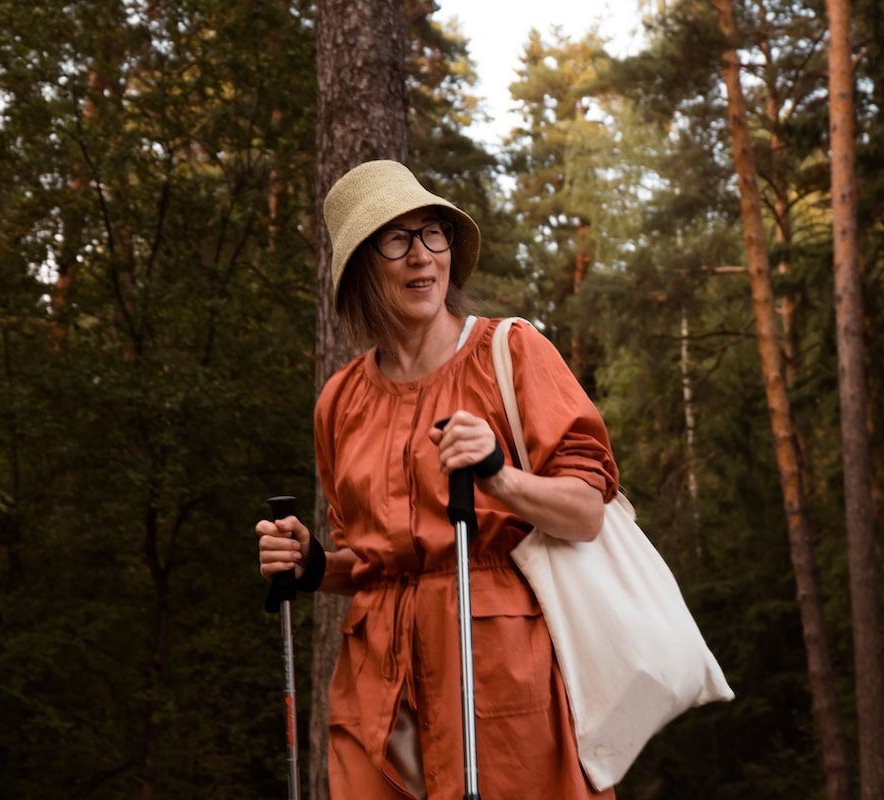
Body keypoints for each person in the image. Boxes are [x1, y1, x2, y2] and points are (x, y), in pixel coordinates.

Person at [255, 160, 619, 799]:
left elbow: (586, 513)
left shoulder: (510, 353)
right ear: (363, 265)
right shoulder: (340, 403)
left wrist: (498, 478)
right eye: (396, 240)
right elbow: (370, 565)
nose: (421, 257)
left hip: (496, 670)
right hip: (376, 690)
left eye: (433, 234)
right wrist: (314, 564)